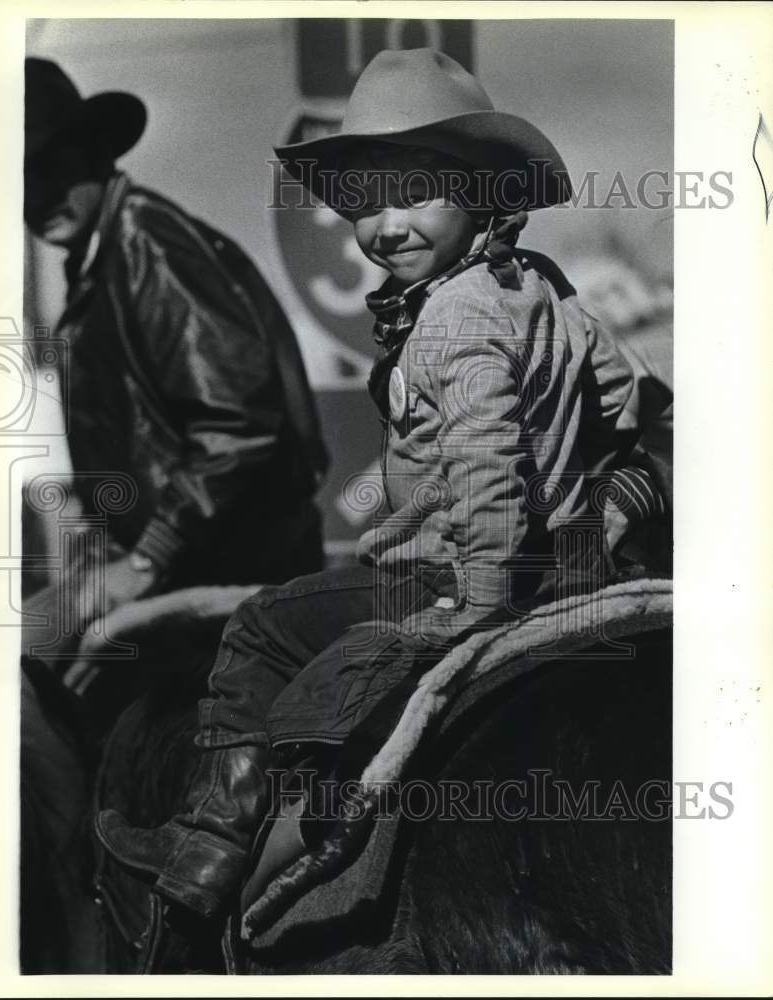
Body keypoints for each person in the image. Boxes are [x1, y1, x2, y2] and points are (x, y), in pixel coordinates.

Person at [97, 48, 668, 924]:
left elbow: (482, 460)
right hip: (552, 559)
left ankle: (206, 847)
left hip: (458, 575)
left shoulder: (452, 319)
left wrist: (479, 595)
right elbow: (626, 403)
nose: (383, 225)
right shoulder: (546, 292)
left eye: (412, 195)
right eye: (363, 202)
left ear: (484, 194)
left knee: (260, 626)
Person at [23, 57, 328, 658]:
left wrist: (147, 554)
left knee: (22, 658)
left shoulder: (147, 244)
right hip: (182, 562)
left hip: (229, 572)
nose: (37, 196)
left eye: (48, 168)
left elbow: (238, 423)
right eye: (15, 178)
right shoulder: (101, 259)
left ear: (93, 154)